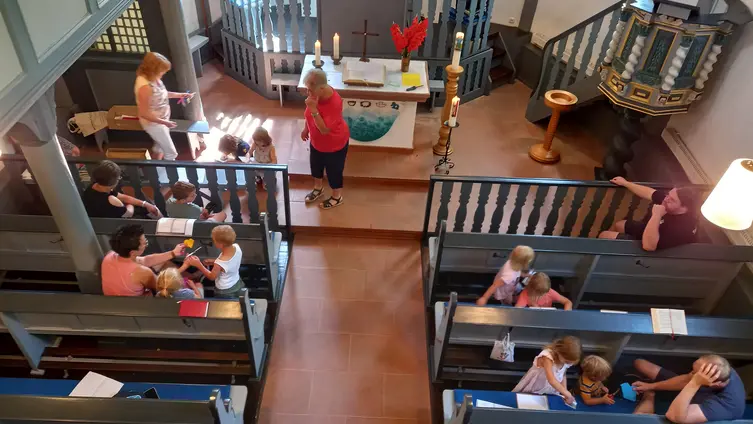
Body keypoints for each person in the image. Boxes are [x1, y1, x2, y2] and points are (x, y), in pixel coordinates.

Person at [632, 355, 745, 423]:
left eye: (695, 374)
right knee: (639, 363)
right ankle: (652, 391)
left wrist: (695, 383)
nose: (691, 374)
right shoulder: (720, 368)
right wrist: (651, 385)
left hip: (695, 410)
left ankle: (649, 396)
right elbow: (686, 379)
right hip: (697, 389)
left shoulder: (727, 406)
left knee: (637, 419)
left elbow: (673, 416)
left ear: (714, 383)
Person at [598, 177, 699, 251]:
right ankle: (610, 249)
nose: (666, 199)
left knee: (604, 235)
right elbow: (649, 192)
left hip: (655, 249)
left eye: (672, 199)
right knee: (619, 225)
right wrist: (625, 183)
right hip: (653, 230)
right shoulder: (669, 202)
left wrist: (656, 215)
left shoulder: (683, 228)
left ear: (684, 208)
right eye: (668, 194)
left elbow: (649, 246)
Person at [300, 68, 350, 209]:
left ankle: (337, 197)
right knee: (316, 167)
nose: (308, 93)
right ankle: (318, 188)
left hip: (334, 144)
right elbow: (308, 114)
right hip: (316, 142)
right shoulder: (315, 96)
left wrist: (313, 109)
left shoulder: (334, 102)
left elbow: (324, 130)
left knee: (334, 171)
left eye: (310, 90)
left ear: (321, 88)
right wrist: (306, 128)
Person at [134, 51, 193, 161]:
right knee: (171, 153)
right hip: (154, 124)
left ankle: (155, 165)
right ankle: (168, 170)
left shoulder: (154, 79)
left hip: (162, 120)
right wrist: (165, 122)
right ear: (153, 70)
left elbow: (162, 94)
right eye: (162, 71)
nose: (163, 73)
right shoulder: (145, 87)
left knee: (160, 147)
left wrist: (181, 95)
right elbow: (144, 113)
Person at [102, 224, 185, 296]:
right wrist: (185, 265)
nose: (146, 244)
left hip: (114, 300)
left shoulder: (110, 255)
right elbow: (165, 287)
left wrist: (173, 253)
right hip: (139, 305)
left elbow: (145, 260)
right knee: (186, 292)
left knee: (164, 263)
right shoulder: (142, 272)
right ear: (132, 252)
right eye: (145, 243)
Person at [513, 336, 581, 406]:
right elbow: (551, 380)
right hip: (535, 386)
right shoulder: (547, 357)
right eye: (567, 361)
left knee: (548, 405)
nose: (568, 364)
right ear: (559, 352)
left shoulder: (566, 361)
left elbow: (563, 374)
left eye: (570, 362)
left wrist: (564, 391)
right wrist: (567, 393)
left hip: (550, 389)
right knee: (528, 404)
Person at [81, 160, 162, 218]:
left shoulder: (94, 186)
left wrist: (145, 203)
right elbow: (128, 213)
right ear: (114, 182)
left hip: (99, 217)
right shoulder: (111, 199)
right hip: (113, 222)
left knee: (148, 206)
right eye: (119, 178)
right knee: (152, 212)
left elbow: (122, 196)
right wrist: (129, 204)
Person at [186, 225, 244, 298]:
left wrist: (199, 265)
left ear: (220, 244)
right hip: (237, 282)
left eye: (214, 240)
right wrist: (214, 261)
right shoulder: (236, 247)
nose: (213, 242)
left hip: (224, 291)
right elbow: (229, 263)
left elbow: (212, 277)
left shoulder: (219, 263)